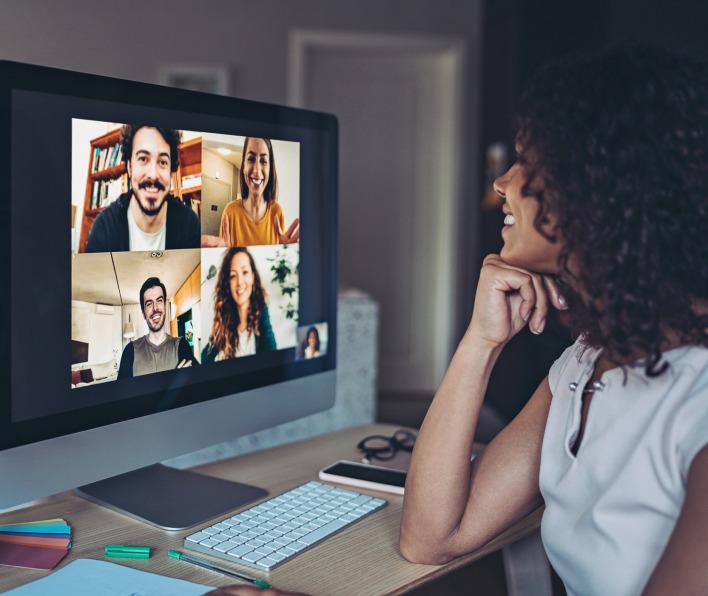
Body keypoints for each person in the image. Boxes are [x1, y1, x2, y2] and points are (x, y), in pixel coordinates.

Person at [399, 43, 708, 595]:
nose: (502, 182)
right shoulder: (587, 363)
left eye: (529, 164)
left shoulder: (697, 400)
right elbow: (433, 537)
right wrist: (481, 342)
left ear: (599, 191)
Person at [86, 125, 200, 252]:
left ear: (170, 171)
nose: (153, 175)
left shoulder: (189, 224)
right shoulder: (104, 228)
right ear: (129, 167)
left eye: (162, 162)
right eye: (143, 159)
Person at [205, 137, 299, 247]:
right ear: (243, 165)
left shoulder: (277, 212)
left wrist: (286, 250)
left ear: (270, 168)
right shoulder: (230, 212)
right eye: (251, 159)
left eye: (263, 161)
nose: (256, 171)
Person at [201, 248, 277, 362]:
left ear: (253, 276)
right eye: (233, 276)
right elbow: (205, 357)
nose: (239, 282)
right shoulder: (224, 319)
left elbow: (272, 358)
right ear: (228, 283)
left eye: (245, 272)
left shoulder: (262, 314)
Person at [118, 277, 196, 378]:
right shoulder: (130, 351)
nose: (155, 308)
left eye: (159, 300)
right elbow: (121, 393)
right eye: (149, 304)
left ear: (164, 306)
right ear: (143, 313)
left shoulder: (182, 346)